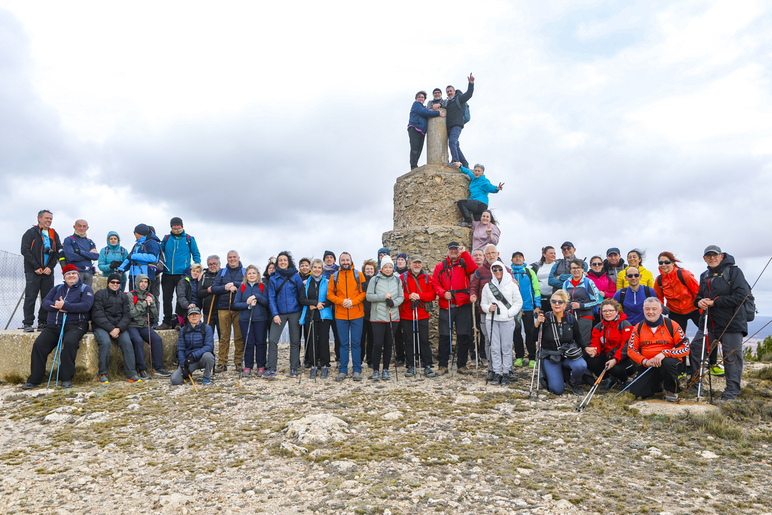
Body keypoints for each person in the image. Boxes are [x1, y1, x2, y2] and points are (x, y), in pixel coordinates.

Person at [21, 265, 94, 390]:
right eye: (68, 274)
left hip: (76, 325)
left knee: (70, 343)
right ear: (64, 277)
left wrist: (65, 306)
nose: (71, 276)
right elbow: (45, 302)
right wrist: (57, 305)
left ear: (77, 275)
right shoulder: (57, 288)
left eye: (74, 274)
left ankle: (65, 378)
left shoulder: (86, 289)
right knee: (39, 345)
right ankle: (35, 379)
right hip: (54, 325)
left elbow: (86, 306)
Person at [694, 245, 749, 401]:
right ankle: (695, 386)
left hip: (732, 323)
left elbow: (741, 296)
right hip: (709, 323)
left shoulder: (734, 271)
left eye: (715, 255)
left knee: (731, 358)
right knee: (696, 350)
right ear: (704, 258)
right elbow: (698, 297)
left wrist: (714, 302)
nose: (712, 258)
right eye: (708, 256)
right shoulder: (704, 275)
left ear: (721, 256)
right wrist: (699, 302)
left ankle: (731, 393)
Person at [627, 297, 689, 402]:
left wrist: (665, 354)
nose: (650, 312)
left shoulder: (672, 324)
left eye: (654, 309)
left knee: (667, 363)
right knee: (636, 392)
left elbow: (685, 348)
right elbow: (631, 350)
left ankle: (672, 390)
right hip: (649, 365)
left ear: (660, 310)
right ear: (643, 310)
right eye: (647, 309)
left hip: (670, 364)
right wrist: (645, 361)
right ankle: (658, 385)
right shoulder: (638, 327)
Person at [432, 242, 478, 375]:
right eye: (451, 249)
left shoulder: (464, 262)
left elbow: (473, 269)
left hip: (463, 304)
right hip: (446, 304)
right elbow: (435, 282)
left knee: (464, 335)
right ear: (447, 251)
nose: (453, 252)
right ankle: (442, 365)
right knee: (444, 335)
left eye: (456, 249)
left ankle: (461, 365)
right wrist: (442, 293)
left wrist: (464, 253)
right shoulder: (440, 266)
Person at [534, 290, 587, 395]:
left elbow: (578, 337)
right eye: (554, 301)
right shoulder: (545, 318)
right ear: (551, 303)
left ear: (565, 304)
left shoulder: (571, 319)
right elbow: (533, 338)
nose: (557, 304)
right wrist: (537, 323)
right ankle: (557, 374)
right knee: (556, 390)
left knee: (581, 365)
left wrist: (586, 348)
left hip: (568, 355)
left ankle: (572, 381)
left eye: (560, 302)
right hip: (551, 357)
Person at [92, 272, 141, 384]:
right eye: (112, 282)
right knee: (105, 342)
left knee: (127, 343)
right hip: (102, 326)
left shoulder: (123, 296)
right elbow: (97, 315)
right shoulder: (100, 294)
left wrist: (118, 328)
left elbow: (126, 315)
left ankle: (132, 374)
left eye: (118, 282)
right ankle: (103, 374)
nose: (115, 284)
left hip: (118, 327)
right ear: (108, 283)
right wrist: (111, 329)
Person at [480, 260, 523, 385]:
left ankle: (507, 372)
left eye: (500, 269)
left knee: (507, 347)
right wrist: (488, 308)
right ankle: (497, 372)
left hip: (507, 320)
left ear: (504, 270)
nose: (497, 272)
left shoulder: (512, 285)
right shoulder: (488, 286)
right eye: (495, 270)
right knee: (494, 347)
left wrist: (509, 313)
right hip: (492, 319)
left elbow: (518, 302)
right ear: (492, 272)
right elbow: (483, 303)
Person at [327, 252, 367, 382]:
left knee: (356, 343)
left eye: (347, 260)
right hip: (341, 314)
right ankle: (343, 370)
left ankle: (357, 370)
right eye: (343, 260)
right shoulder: (334, 276)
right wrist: (342, 301)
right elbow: (329, 295)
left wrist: (352, 302)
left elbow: (364, 293)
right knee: (343, 344)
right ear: (340, 262)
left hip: (357, 313)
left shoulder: (359, 275)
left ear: (351, 261)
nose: (345, 262)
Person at [20, 209, 63, 332]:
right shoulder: (30, 233)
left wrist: (50, 267)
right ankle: (27, 323)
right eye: (46, 218)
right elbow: (25, 250)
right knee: (30, 297)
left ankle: (43, 323)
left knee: (47, 298)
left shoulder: (53, 234)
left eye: (50, 219)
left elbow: (58, 251)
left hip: (48, 272)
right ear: (39, 218)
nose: (49, 220)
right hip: (33, 271)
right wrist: (35, 267)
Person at [157, 217, 201, 329]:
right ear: (171, 226)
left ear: (182, 226)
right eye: (174, 225)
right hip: (167, 273)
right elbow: (158, 252)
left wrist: (198, 270)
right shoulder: (166, 238)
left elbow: (196, 255)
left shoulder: (189, 239)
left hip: (183, 274)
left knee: (181, 298)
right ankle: (166, 322)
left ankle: (179, 321)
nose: (176, 227)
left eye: (178, 225)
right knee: (167, 299)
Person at [266, 251, 304, 379]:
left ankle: (293, 368)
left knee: (294, 341)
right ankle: (271, 368)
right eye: (280, 260)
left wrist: (302, 313)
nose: (282, 262)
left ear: (289, 262)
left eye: (285, 260)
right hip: (279, 313)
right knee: (272, 340)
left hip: (295, 312)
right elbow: (271, 298)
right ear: (277, 263)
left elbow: (301, 295)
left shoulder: (296, 276)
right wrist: (275, 314)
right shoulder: (273, 278)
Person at [366, 256, 404, 381]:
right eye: (385, 267)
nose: (388, 269)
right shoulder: (375, 280)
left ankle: (386, 369)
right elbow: (369, 296)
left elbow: (401, 297)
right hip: (378, 317)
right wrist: (383, 297)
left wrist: (394, 302)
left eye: (390, 267)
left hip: (393, 317)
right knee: (377, 344)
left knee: (388, 344)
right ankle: (376, 370)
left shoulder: (397, 280)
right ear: (381, 268)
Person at [126, 274, 171, 379]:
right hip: (132, 325)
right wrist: (144, 304)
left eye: (146, 282)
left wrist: (152, 305)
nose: (143, 284)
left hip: (144, 325)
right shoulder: (130, 295)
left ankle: (158, 368)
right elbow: (131, 314)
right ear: (137, 282)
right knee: (137, 341)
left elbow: (155, 316)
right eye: (141, 281)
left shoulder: (150, 295)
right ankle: (142, 369)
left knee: (157, 340)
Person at [399, 256, 436, 377]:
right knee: (409, 340)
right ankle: (410, 365)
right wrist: (408, 296)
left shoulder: (427, 278)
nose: (417, 265)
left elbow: (432, 295)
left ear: (422, 264)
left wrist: (419, 296)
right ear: (410, 263)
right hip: (407, 313)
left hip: (422, 314)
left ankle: (427, 365)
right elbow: (398, 294)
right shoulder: (403, 277)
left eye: (419, 263)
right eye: (415, 263)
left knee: (424, 340)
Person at [470, 244, 503, 379]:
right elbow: (474, 286)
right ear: (485, 256)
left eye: (492, 253)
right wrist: (473, 295)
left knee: (501, 338)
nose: (490, 256)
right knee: (488, 337)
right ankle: (491, 366)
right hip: (484, 310)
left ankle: (503, 366)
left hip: (502, 311)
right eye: (488, 254)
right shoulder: (480, 271)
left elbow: (510, 285)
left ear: (497, 253)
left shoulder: (504, 269)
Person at [587, 299, 633, 392]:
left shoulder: (625, 325)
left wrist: (615, 359)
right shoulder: (598, 327)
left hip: (624, 358)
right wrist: (593, 351)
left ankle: (623, 381)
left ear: (616, 312)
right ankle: (608, 379)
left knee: (615, 369)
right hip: (608, 355)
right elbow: (595, 343)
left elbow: (626, 346)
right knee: (589, 359)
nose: (608, 313)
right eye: (605, 311)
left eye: (611, 310)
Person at [211, 250, 245, 373]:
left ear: (238, 258)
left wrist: (235, 284)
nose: (232, 259)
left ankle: (238, 362)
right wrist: (226, 287)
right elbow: (214, 288)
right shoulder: (222, 272)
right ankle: (222, 362)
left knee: (239, 337)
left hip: (239, 308)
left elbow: (248, 284)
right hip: (223, 308)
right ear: (227, 259)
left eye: (234, 257)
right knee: (224, 337)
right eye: (230, 257)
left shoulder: (244, 271)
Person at [299, 259, 333, 379]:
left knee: (324, 340)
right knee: (312, 339)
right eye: (315, 267)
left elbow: (331, 298)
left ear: (322, 270)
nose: (317, 270)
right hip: (311, 315)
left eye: (319, 267)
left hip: (324, 315)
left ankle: (324, 365)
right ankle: (313, 365)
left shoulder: (328, 282)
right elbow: (302, 299)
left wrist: (321, 305)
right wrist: (314, 303)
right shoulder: (305, 283)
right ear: (311, 269)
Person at [234, 265, 269, 378]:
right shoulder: (242, 287)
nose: (252, 275)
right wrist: (247, 305)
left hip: (260, 319)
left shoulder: (263, 286)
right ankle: (248, 366)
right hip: (245, 319)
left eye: (254, 273)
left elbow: (266, 302)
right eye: (249, 273)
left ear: (258, 274)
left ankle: (261, 366)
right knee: (248, 343)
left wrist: (256, 296)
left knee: (260, 343)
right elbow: (235, 304)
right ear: (246, 275)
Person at [170, 307, 215, 387]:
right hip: (189, 361)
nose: (194, 317)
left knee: (209, 356)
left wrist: (193, 355)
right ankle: (187, 373)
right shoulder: (183, 330)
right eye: (191, 315)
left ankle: (207, 376)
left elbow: (209, 346)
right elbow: (181, 349)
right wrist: (183, 365)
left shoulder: (207, 328)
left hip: (202, 358)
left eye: (196, 314)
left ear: (200, 316)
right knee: (174, 380)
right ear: (188, 317)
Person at [511, 251, 540, 367]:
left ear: (523, 260)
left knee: (530, 332)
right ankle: (519, 357)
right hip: (514, 308)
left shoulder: (529, 272)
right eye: (515, 257)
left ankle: (532, 357)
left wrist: (537, 305)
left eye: (520, 257)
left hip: (528, 307)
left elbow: (536, 289)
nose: (518, 259)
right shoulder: (509, 273)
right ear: (512, 260)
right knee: (516, 332)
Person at [563, 258, 602, 347]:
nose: (576, 270)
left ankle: (583, 360)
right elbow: (563, 299)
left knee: (583, 341)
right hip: (570, 316)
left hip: (585, 316)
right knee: (570, 340)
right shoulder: (566, 283)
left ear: (582, 269)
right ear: (570, 269)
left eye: (578, 267)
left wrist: (581, 305)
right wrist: (567, 307)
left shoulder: (588, 282)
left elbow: (596, 300)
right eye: (573, 268)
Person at [453, 163, 504, 228]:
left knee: (461, 203)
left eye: (478, 171)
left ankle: (468, 221)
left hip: (480, 204)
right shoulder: (474, 178)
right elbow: (468, 172)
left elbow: (489, 187)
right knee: (480, 224)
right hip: (476, 204)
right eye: (475, 170)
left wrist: (497, 188)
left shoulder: (484, 181)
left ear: (482, 173)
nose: (476, 172)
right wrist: (460, 166)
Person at [116, 224, 162, 292]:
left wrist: (134, 256)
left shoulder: (152, 243)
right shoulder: (137, 244)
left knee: (146, 299)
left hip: (146, 277)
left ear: (137, 233)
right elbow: (129, 258)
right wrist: (121, 269)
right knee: (132, 298)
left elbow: (152, 257)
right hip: (133, 276)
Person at [407, 90, 443, 169]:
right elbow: (424, 113)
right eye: (419, 97)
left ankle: (415, 165)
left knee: (419, 149)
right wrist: (438, 113)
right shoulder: (416, 104)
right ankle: (413, 166)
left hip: (422, 131)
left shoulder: (423, 107)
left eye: (422, 97)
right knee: (415, 148)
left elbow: (426, 112)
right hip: (414, 128)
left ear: (424, 99)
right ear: (416, 98)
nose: (421, 98)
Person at [445, 73, 475, 168]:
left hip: (457, 125)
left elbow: (469, 94)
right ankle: (465, 164)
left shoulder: (459, 98)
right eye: (448, 91)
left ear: (454, 91)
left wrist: (471, 84)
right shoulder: (447, 102)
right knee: (456, 146)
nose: (449, 92)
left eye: (451, 91)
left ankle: (455, 161)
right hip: (449, 126)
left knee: (452, 142)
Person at [62, 219, 99, 287]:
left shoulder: (90, 241)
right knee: (75, 295)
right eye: (79, 226)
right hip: (75, 273)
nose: (82, 228)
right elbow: (71, 257)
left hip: (89, 273)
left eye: (84, 226)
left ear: (87, 228)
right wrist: (88, 255)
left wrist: (80, 252)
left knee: (87, 295)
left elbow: (96, 256)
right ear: (74, 227)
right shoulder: (69, 239)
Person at [322, 251, 341, 362]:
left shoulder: (339, 271)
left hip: (337, 307)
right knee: (324, 335)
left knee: (338, 334)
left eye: (331, 257)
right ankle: (325, 360)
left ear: (334, 259)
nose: (329, 259)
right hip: (324, 307)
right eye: (327, 257)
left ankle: (339, 357)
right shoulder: (321, 271)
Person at [197, 255, 221, 340]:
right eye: (210, 264)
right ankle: (209, 352)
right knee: (207, 335)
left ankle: (223, 353)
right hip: (207, 311)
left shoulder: (223, 275)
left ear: (219, 264)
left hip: (221, 311)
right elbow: (199, 293)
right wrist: (208, 291)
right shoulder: (204, 276)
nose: (212, 266)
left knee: (222, 336)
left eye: (214, 263)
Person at [361, 259, 377, 368]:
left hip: (374, 313)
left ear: (374, 270)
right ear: (364, 270)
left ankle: (370, 360)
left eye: (371, 269)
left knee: (372, 338)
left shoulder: (377, 281)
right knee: (361, 338)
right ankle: (360, 359)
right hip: (362, 313)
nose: (369, 270)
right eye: (367, 269)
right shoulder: (361, 281)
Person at [531, 246, 556, 312]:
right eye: (551, 253)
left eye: (554, 253)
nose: (553, 255)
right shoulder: (537, 266)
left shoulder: (558, 265)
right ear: (544, 254)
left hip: (555, 299)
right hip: (541, 299)